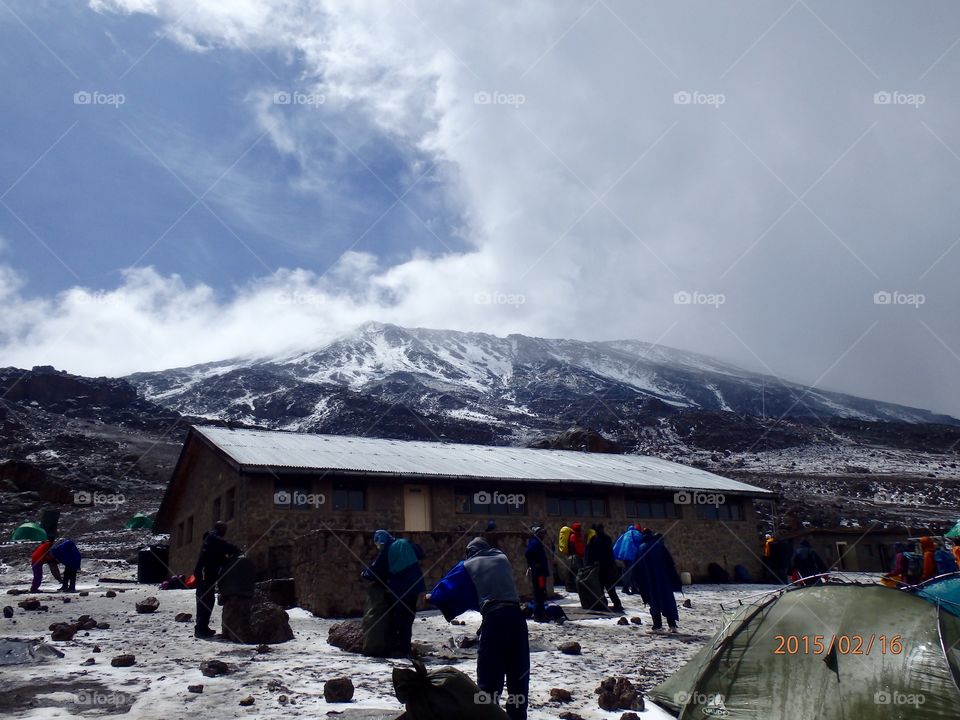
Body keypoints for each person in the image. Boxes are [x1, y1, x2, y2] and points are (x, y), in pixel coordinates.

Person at [430, 537, 529, 720]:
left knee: (489, 676)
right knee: (518, 674)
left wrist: (433, 598)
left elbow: (442, 590)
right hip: (517, 619)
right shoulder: (502, 558)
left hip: (495, 620)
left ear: (470, 552)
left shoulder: (468, 564)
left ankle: (488, 715)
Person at [361, 529, 426, 656]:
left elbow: (375, 571)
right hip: (416, 587)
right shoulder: (405, 542)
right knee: (408, 617)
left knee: (399, 618)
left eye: (378, 544)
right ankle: (405, 647)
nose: (379, 547)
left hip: (400, 589)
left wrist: (364, 573)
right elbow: (420, 553)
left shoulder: (387, 550)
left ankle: (401, 649)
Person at [193, 521, 242, 638]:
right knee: (206, 600)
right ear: (220, 529)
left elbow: (219, 554)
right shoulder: (214, 538)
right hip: (205, 574)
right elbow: (227, 547)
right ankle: (200, 629)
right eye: (224, 530)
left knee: (205, 600)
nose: (225, 532)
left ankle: (201, 627)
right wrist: (237, 551)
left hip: (204, 573)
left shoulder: (210, 540)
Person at [635, 529, 682, 632]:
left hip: (649, 581)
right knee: (667, 600)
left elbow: (638, 568)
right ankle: (672, 625)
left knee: (654, 602)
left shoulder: (641, 549)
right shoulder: (659, 546)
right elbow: (670, 563)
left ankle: (657, 626)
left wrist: (639, 584)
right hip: (663, 579)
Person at [585, 524, 622, 611]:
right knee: (610, 588)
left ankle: (604, 603)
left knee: (600, 587)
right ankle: (616, 603)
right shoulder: (607, 539)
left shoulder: (593, 539)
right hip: (608, 567)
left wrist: (588, 564)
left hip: (598, 568)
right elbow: (610, 553)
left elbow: (589, 553)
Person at [525, 526, 550, 621]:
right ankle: (538, 614)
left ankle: (541, 612)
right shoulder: (535, 543)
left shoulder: (537, 542)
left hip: (540, 573)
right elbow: (528, 553)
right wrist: (535, 564)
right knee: (539, 593)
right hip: (538, 574)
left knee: (541, 592)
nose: (544, 535)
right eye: (542, 533)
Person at [613, 524, 643, 594]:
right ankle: (630, 588)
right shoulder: (636, 533)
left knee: (626, 572)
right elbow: (641, 541)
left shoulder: (625, 534)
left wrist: (617, 554)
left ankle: (628, 587)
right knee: (633, 573)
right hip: (633, 556)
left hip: (625, 557)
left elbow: (617, 544)